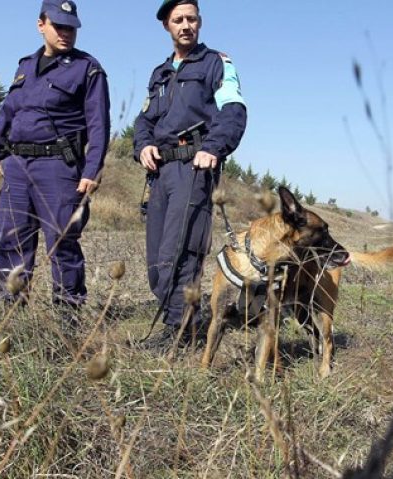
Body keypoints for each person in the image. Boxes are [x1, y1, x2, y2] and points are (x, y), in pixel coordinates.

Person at [0, 0, 110, 322]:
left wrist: (91, 170)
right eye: (59, 26)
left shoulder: (87, 69)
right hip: (18, 167)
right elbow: (6, 115)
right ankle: (12, 319)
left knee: (62, 245)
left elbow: (99, 125)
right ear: (41, 25)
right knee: (11, 242)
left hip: (60, 169)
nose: (66, 33)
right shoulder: (24, 67)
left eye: (71, 27)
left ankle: (68, 322)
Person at [134, 0, 247, 347]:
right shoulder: (160, 73)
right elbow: (145, 120)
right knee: (156, 258)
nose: (185, 25)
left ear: (199, 22)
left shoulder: (217, 63)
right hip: (160, 172)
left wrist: (212, 148)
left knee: (180, 251)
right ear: (167, 26)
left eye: (191, 19)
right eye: (178, 20)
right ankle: (177, 319)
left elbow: (234, 109)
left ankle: (181, 329)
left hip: (193, 168)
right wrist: (142, 145)